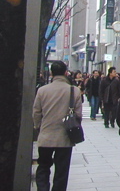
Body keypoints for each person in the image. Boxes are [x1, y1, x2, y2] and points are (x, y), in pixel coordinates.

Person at [32, 61, 83, 191]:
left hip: (46, 135)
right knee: (62, 171)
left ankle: (42, 188)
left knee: (43, 166)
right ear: (66, 73)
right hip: (65, 137)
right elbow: (78, 115)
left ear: (51, 73)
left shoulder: (42, 90)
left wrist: (38, 127)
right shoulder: (74, 91)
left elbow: (36, 112)